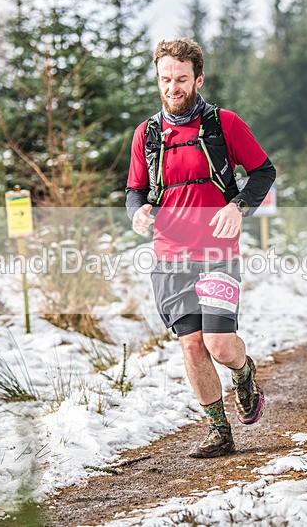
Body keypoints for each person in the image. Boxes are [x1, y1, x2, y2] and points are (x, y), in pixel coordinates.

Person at [125, 38, 276, 458]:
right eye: (165, 79)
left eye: (181, 79)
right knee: (191, 344)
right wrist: (137, 212)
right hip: (169, 255)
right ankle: (218, 431)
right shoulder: (148, 134)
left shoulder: (223, 123)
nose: (173, 87)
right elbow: (134, 190)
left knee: (220, 345)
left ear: (198, 79)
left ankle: (244, 375)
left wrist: (239, 205)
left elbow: (264, 170)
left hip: (217, 252)